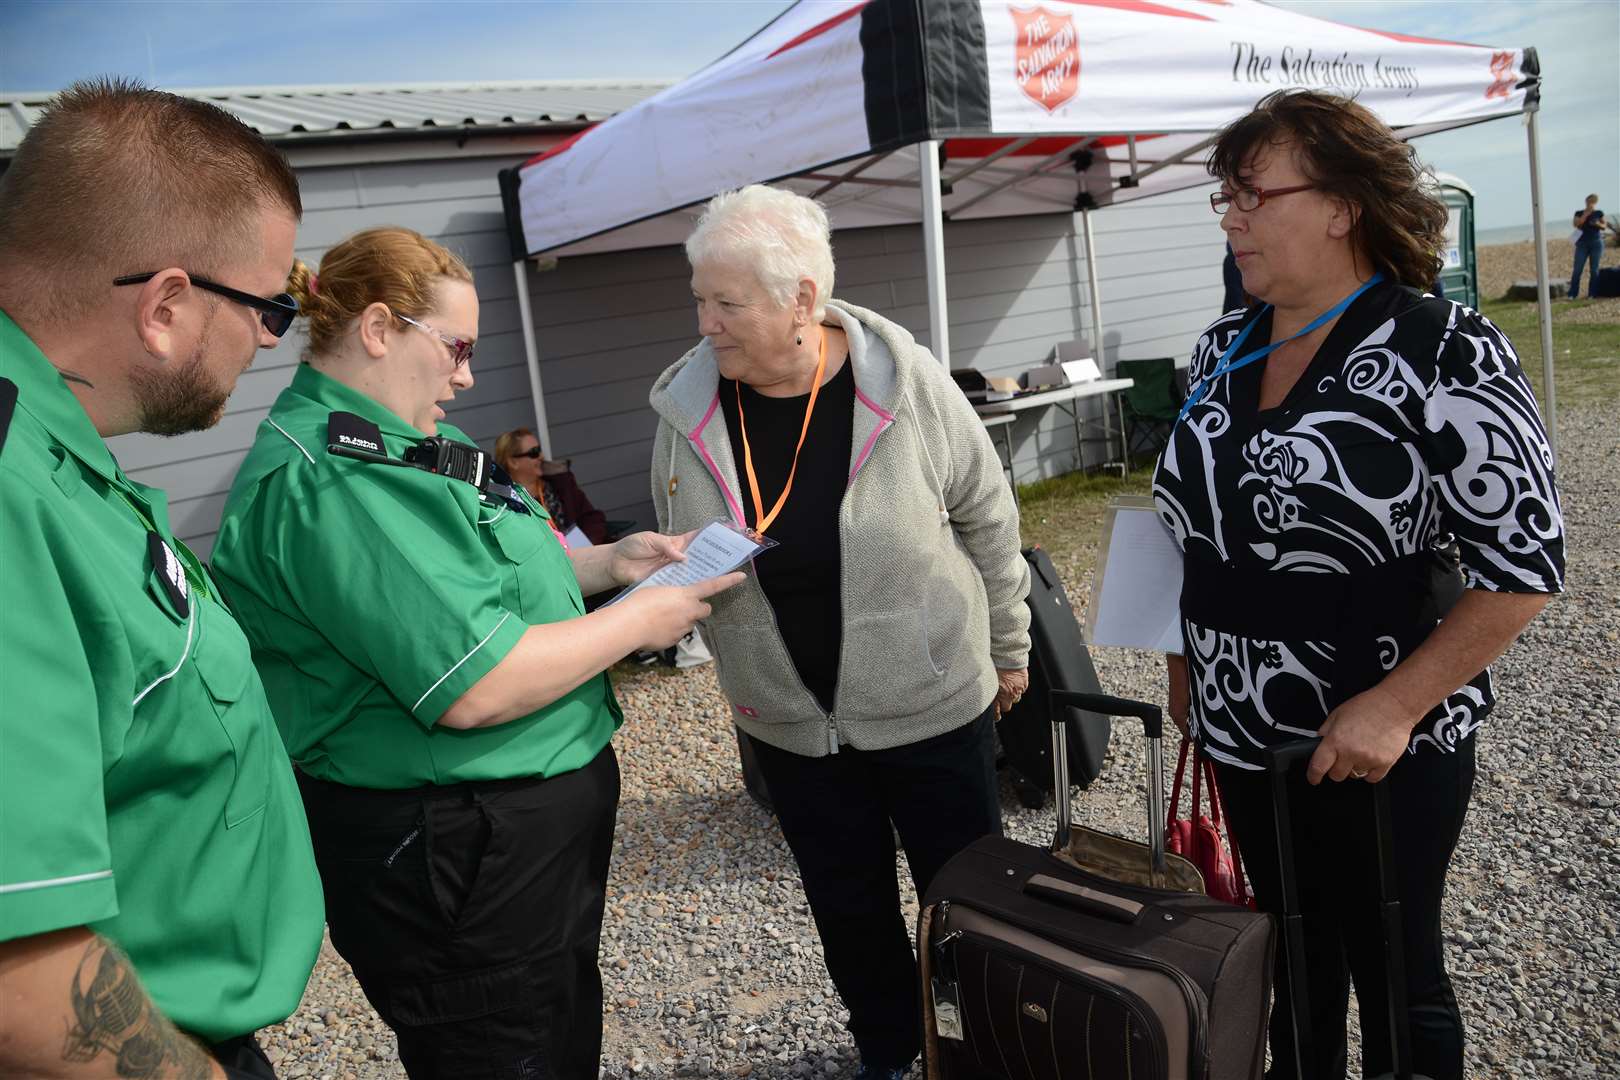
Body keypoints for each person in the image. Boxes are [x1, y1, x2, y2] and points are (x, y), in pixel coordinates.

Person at [209, 226, 740, 1079]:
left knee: (551, 1036)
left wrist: (610, 564)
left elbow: (469, 584)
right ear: (379, 330)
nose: (465, 375)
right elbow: (479, 683)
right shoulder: (340, 481)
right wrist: (643, 622)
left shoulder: (391, 443)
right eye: (456, 349)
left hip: (501, 850)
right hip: (458, 859)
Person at [1157, 90, 1564, 1080]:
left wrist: (1392, 708)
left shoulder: (1442, 346)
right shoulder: (1223, 348)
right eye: (1225, 197)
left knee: (1394, 971)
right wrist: (1184, 664)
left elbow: (1527, 565)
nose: (1231, 217)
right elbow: (1182, 529)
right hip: (1244, 729)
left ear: (1340, 203)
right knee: (1293, 955)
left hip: (1377, 739)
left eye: (1252, 194)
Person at [648, 185, 1031, 1077]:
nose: (706, 322)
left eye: (727, 303)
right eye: (699, 298)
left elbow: (988, 514)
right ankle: (892, 1053)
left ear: (802, 301)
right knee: (848, 908)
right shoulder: (683, 406)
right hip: (788, 722)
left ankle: (986, 1050)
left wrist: (1009, 645)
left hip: (931, 704)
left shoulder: (905, 383)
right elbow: (678, 545)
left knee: (969, 907)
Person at [0, 79, 323, 1079]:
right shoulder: (12, 490)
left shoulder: (58, 457)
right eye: (271, 307)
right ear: (167, 305)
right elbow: (22, 993)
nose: (273, 339)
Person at [494, 426, 609, 544]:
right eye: (534, 452)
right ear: (513, 462)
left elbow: (592, 518)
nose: (541, 456)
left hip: (581, 554)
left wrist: (586, 545)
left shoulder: (561, 483)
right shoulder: (504, 502)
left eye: (539, 450)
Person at [1570, 193, 1606, 299]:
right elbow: (1576, 224)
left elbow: (1604, 226)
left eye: (1593, 201)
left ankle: (1592, 294)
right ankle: (1572, 294)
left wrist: (1597, 224)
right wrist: (1585, 215)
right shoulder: (1579, 213)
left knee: (1594, 269)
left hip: (1596, 242)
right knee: (1577, 269)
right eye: (1589, 201)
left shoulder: (1599, 213)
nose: (1590, 203)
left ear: (1595, 202)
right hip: (1582, 243)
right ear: (1586, 201)